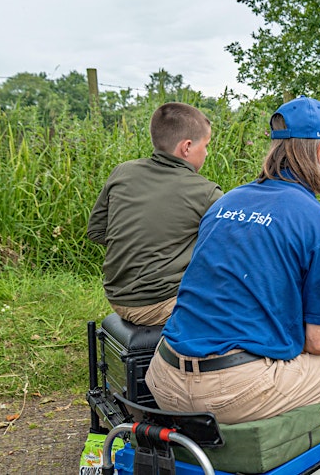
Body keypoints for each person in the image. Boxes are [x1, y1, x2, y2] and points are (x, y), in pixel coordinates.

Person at [145, 96, 320, 457]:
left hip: (164, 379)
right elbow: (319, 343)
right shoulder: (318, 223)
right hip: (231, 391)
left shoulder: (225, 203)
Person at [87, 102, 223, 326]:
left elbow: (96, 231)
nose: (207, 153)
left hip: (117, 297)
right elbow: (231, 252)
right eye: (206, 145)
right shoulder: (206, 192)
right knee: (244, 304)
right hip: (163, 304)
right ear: (187, 147)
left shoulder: (123, 171)